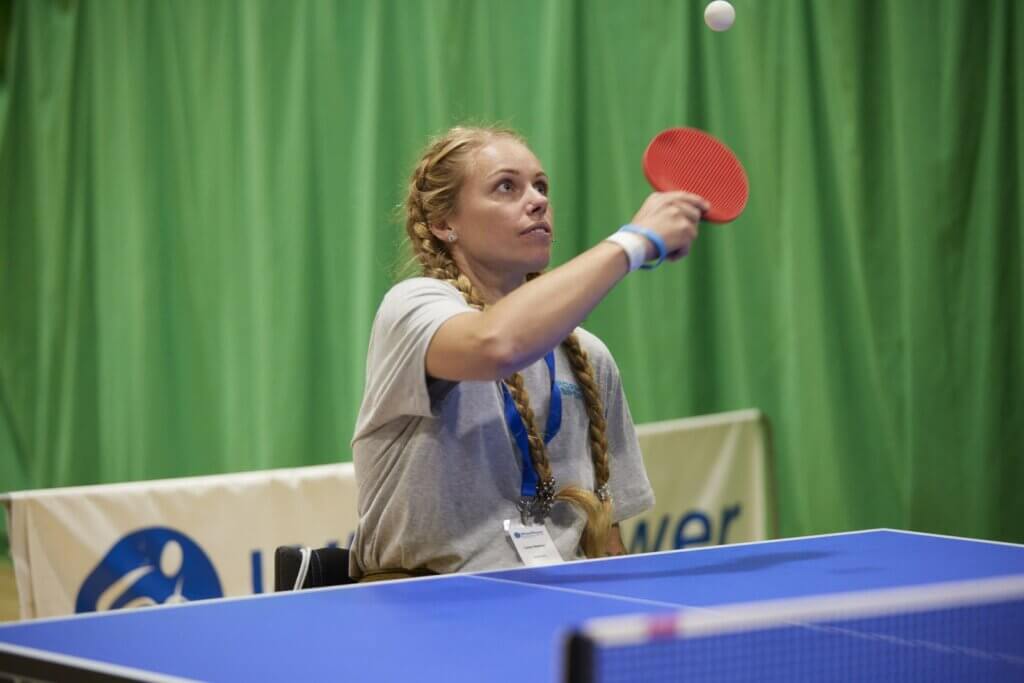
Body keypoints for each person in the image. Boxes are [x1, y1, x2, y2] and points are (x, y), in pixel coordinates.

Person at [349, 125, 705, 581]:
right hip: (425, 607)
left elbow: (608, 542)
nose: (537, 200)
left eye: (541, 186)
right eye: (506, 187)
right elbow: (496, 345)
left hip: (558, 600)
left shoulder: (589, 356)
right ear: (444, 224)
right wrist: (633, 243)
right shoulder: (413, 309)